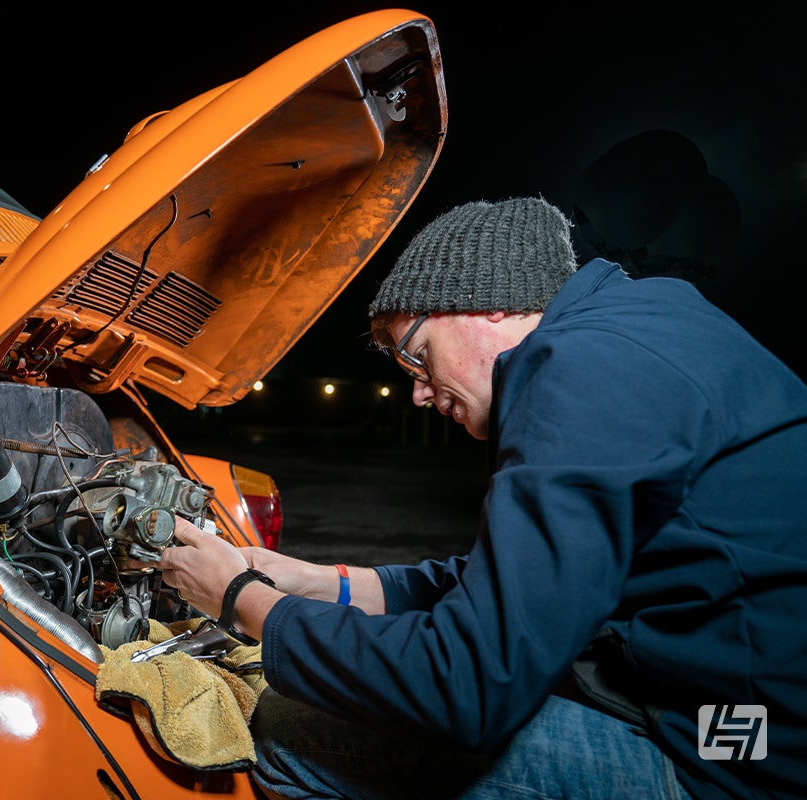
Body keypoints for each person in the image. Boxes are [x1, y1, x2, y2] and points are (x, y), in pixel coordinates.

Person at [159, 197, 807, 799]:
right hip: (747, 710)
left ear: (486, 303)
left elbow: (466, 687)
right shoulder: (634, 328)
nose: (416, 390)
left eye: (415, 356)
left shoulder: (582, 371)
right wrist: (323, 582)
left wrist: (242, 602)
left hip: (740, 752)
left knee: (291, 731)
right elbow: (530, 591)